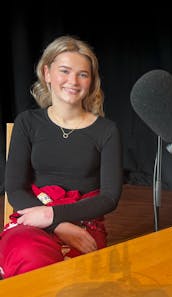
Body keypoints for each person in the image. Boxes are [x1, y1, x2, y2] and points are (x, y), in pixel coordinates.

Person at [0, 35, 123, 279]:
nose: (73, 81)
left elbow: (110, 197)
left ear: (91, 81)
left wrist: (55, 216)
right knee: (29, 254)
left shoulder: (107, 130)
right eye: (64, 71)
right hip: (32, 217)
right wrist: (55, 222)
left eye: (83, 74)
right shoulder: (27, 122)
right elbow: (14, 188)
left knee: (71, 276)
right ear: (47, 73)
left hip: (84, 223)